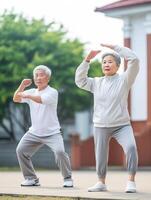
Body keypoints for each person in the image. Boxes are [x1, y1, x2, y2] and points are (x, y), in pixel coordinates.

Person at [75, 44, 139, 193]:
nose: (106, 64)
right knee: (101, 155)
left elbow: (134, 60)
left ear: (117, 65)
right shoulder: (96, 82)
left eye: (110, 61)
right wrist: (87, 60)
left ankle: (131, 181)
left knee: (131, 147)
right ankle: (101, 182)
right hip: (100, 125)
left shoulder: (125, 79)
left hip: (122, 125)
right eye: (104, 62)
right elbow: (80, 81)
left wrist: (116, 48)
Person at [13, 65, 73, 187]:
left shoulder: (52, 92)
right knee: (21, 150)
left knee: (60, 152)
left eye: (41, 75)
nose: (38, 78)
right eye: (36, 75)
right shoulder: (30, 91)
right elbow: (16, 98)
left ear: (48, 78)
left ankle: (67, 178)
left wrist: (27, 95)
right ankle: (31, 178)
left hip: (52, 133)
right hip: (34, 132)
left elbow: (41, 99)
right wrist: (23, 86)